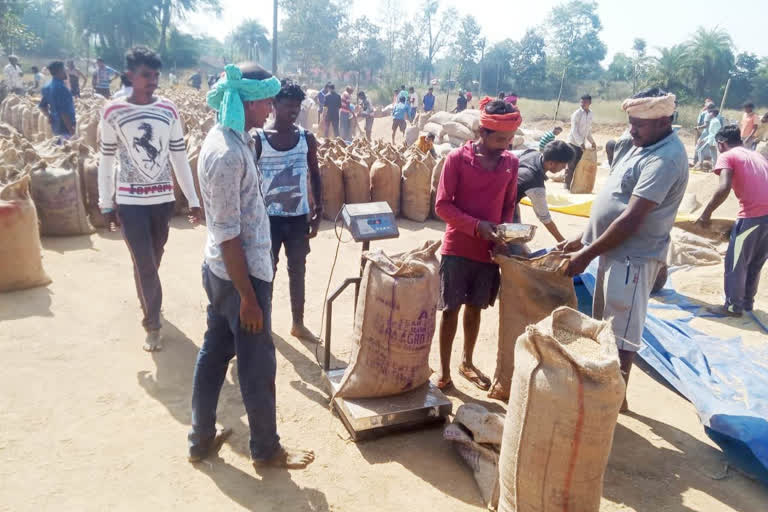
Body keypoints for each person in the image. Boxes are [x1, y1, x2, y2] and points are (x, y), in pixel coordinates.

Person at [190, 62, 315, 470]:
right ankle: (266, 449)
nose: (269, 109)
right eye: (264, 101)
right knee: (258, 365)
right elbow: (228, 234)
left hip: (225, 272)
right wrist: (248, 298)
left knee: (214, 353)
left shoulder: (230, 139)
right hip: (240, 277)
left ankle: (201, 438)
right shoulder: (226, 154)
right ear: (243, 100)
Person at [560, 88, 688, 412]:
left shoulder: (666, 158)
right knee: (604, 326)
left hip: (633, 255)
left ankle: (615, 400)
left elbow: (631, 218)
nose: (632, 130)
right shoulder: (639, 143)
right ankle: (607, 392)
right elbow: (613, 199)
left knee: (621, 334)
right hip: (612, 249)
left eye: (639, 125)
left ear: (663, 121)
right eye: (631, 123)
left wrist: (586, 255)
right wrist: (584, 238)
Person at [97, 46, 202, 352]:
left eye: (156, 75)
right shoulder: (113, 112)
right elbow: (105, 160)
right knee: (145, 264)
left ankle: (148, 304)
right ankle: (153, 324)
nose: (153, 80)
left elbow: (179, 157)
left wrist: (192, 198)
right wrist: (106, 203)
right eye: (146, 75)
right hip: (129, 204)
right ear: (130, 75)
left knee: (151, 261)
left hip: (162, 201)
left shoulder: (168, 110)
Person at [434, 97, 521, 391]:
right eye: (500, 138)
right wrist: (476, 227)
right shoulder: (457, 159)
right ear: (482, 133)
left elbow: (509, 205)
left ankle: (466, 362)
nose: (506, 144)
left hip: (487, 253)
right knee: (450, 310)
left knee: (475, 308)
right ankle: (444, 371)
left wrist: (503, 237)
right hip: (458, 248)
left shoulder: (511, 163)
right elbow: (443, 206)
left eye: (510, 138)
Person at [253, 79, 323, 343]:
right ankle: (264, 324)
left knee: (298, 270)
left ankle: (298, 323)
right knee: (265, 270)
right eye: (287, 106)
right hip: (266, 220)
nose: (293, 111)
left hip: (297, 219)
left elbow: (315, 174)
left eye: (297, 106)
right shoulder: (258, 139)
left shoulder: (306, 138)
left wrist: (318, 210)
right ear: (273, 105)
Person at [696, 125, 768, 317]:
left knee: (736, 261)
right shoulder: (756, 155)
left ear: (721, 144)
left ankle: (732, 307)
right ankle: (746, 303)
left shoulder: (727, 156)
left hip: (753, 215)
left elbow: (723, 187)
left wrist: (705, 214)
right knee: (755, 262)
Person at [515, 141, 575, 243]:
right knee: (514, 249)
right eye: (563, 164)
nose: (564, 167)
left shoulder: (531, 153)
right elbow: (545, 218)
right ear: (551, 163)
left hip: (504, 196)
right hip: (498, 205)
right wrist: (562, 241)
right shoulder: (534, 184)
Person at [565, 94, 596, 190]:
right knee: (571, 165)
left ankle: (575, 186)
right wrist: (581, 143)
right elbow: (574, 130)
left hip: (581, 144)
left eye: (585, 102)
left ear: (590, 103)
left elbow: (587, 131)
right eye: (581, 102)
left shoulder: (591, 114)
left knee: (579, 166)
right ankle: (566, 186)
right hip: (573, 142)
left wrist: (592, 141)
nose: (582, 104)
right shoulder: (577, 114)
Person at [38, 61, 76, 141]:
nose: (66, 71)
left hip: (55, 124)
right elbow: (63, 112)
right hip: (65, 127)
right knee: (66, 149)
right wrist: (71, 129)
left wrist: (49, 116)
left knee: (59, 147)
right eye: (64, 69)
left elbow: (42, 106)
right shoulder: (62, 88)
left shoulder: (47, 87)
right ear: (60, 71)